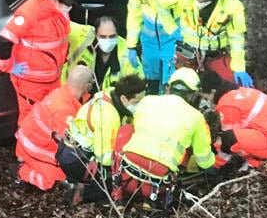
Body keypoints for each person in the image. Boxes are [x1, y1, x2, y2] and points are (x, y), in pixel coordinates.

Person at [114, 68, 215, 206]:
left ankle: (117, 194)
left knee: (127, 130)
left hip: (126, 174)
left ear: (168, 88)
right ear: (193, 94)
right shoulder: (197, 118)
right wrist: (214, 164)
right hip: (156, 185)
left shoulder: (148, 101)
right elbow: (204, 160)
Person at [0, 0, 76, 126]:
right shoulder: (30, 13)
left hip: (53, 80)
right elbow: (1, 43)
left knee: (50, 118)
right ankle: (25, 149)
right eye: (66, 5)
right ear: (56, 1)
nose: (68, 9)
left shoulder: (58, 12)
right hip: (31, 84)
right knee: (30, 121)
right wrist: (9, 67)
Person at [59, 73, 147, 202]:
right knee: (119, 180)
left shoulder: (111, 93)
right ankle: (81, 194)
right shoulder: (109, 117)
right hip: (76, 158)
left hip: (69, 149)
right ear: (123, 99)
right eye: (136, 102)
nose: (139, 105)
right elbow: (105, 158)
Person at [15, 64, 93, 190]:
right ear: (86, 87)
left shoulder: (62, 93)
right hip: (33, 145)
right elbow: (71, 143)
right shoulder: (63, 110)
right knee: (57, 178)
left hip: (33, 139)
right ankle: (23, 173)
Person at [126, 0, 193, 94]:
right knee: (151, 80)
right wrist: (131, 44)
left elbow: (189, 13)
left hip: (173, 37)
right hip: (149, 39)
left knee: (171, 80)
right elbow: (134, 12)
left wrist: (185, 37)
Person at [199, 69, 267, 168]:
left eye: (207, 97)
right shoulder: (241, 91)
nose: (208, 101)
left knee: (229, 138)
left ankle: (254, 162)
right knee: (234, 136)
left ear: (213, 91)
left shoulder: (227, 103)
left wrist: (215, 163)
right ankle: (255, 159)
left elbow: (228, 139)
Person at [177, 0, 252, 87]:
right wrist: (171, 31)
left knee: (227, 83)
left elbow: (236, 38)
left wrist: (239, 67)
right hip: (188, 49)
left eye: (202, 2)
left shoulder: (232, 7)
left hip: (215, 53)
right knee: (181, 82)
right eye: (196, 0)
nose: (198, 4)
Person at [78, 16, 143, 91]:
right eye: (103, 36)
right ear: (96, 35)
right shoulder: (84, 48)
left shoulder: (127, 54)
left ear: (117, 34)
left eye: (112, 36)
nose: (107, 40)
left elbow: (139, 84)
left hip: (115, 99)